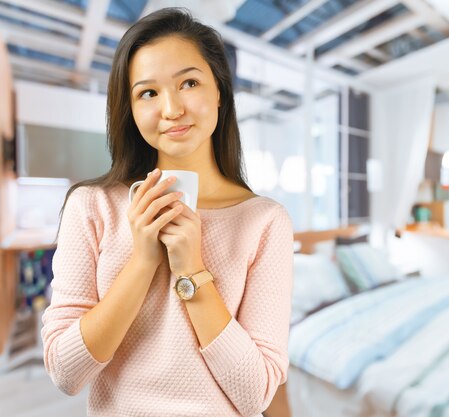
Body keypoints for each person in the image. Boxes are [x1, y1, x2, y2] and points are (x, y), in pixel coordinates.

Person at [41, 8, 293, 417]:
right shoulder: (92, 205)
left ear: (219, 92)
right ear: (131, 110)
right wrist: (142, 261)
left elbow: (257, 394)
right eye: (148, 93)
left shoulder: (265, 221)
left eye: (189, 83)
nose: (172, 109)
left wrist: (191, 271)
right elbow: (65, 372)